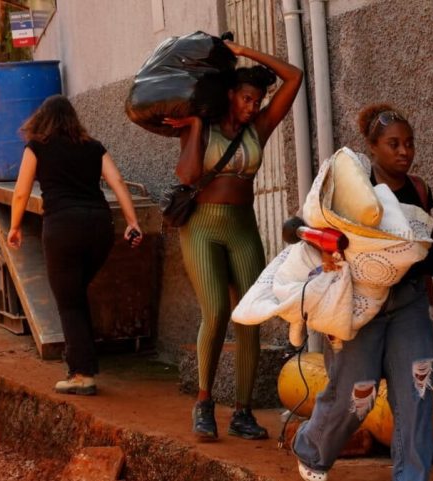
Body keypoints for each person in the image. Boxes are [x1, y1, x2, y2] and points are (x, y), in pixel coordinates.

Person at [292, 104, 433, 481]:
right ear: (372, 147)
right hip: (361, 306)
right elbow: (307, 231)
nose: (404, 152)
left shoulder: (420, 190)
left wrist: (429, 307)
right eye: (393, 144)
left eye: (409, 143)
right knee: (356, 395)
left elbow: (424, 253)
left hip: (409, 303)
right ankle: (312, 449)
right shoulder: (351, 187)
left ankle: (411, 475)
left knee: (418, 388)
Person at [163, 39, 302, 441]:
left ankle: (242, 412)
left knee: (252, 318)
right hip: (202, 227)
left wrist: (245, 51)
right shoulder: (202, 126)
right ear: (229, 96)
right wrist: (192, 127)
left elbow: (294, 77)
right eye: (245, 98)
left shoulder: (258, 129)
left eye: (256, 101)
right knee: (217, 311)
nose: (252, 107)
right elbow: (188, 177)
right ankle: (204, 404)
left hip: (243, 227)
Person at [7, 95, 143, 395]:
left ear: (42, 120)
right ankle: (83, 363)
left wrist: (15, 226)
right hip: (99, 227)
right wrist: (133, 222)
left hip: (63, 228)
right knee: (76, 295)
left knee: (68, 302)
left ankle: (82, 374)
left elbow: (20, 192)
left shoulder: (37, 147)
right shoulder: (93, 146)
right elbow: (117, 181)